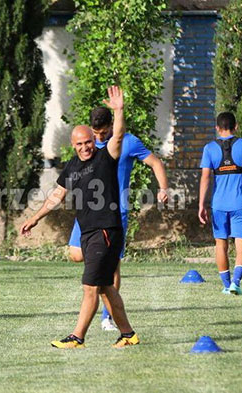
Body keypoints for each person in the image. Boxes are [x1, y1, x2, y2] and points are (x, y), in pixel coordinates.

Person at [21, 86, 139, 349]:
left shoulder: (107, 156)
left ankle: (77, 337)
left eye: (88, 142)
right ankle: (128, 334)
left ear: (93, 141)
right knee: (107, 287)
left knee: (90, 288)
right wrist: (36, 217)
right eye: (80, 144)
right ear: (73, 146)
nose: (85, 147)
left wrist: (119, 111)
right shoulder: (73, 166)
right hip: (88, 232)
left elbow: (118, 135)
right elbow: (57, 195)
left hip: (105, 231)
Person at [68, 106, 169, 331]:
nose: (100, 138)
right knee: (75, 254)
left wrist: (163, 188)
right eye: (96, 134)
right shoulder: (89, 145)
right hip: (88, 212)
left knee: (112, 267)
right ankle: (98, 273)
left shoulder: (128, 142)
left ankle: (107, 317)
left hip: (115, 213)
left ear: (112, 125)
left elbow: (156, 162)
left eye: (103, 133)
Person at [198, 112, 242, 295]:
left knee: (221, 244)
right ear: (236, 127)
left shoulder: (209, 148)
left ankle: (226, 285)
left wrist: (201, 204)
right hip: (240, 203)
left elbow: (205, 178)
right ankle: (236, 283)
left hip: (218, 204)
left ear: (217, 128)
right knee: (241, 243)